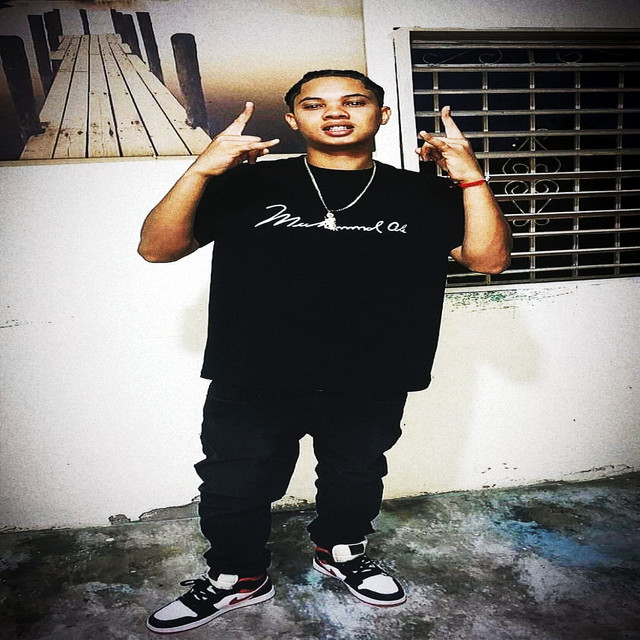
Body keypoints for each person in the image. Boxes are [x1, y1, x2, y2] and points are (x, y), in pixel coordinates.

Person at [139, 69, 511, 634]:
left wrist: (470, 177)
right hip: (254, 370)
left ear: (382, 115)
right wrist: (201, 169)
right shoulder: (246, 184)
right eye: (314, 105)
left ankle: (341, 551)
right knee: (233, 483)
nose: (335, 112)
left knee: (355, 475)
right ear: (293, 120)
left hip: (374, 371)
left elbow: (489, 260)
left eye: (353, 101)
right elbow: (156, 249)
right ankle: (237, 576)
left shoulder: (425, 193)